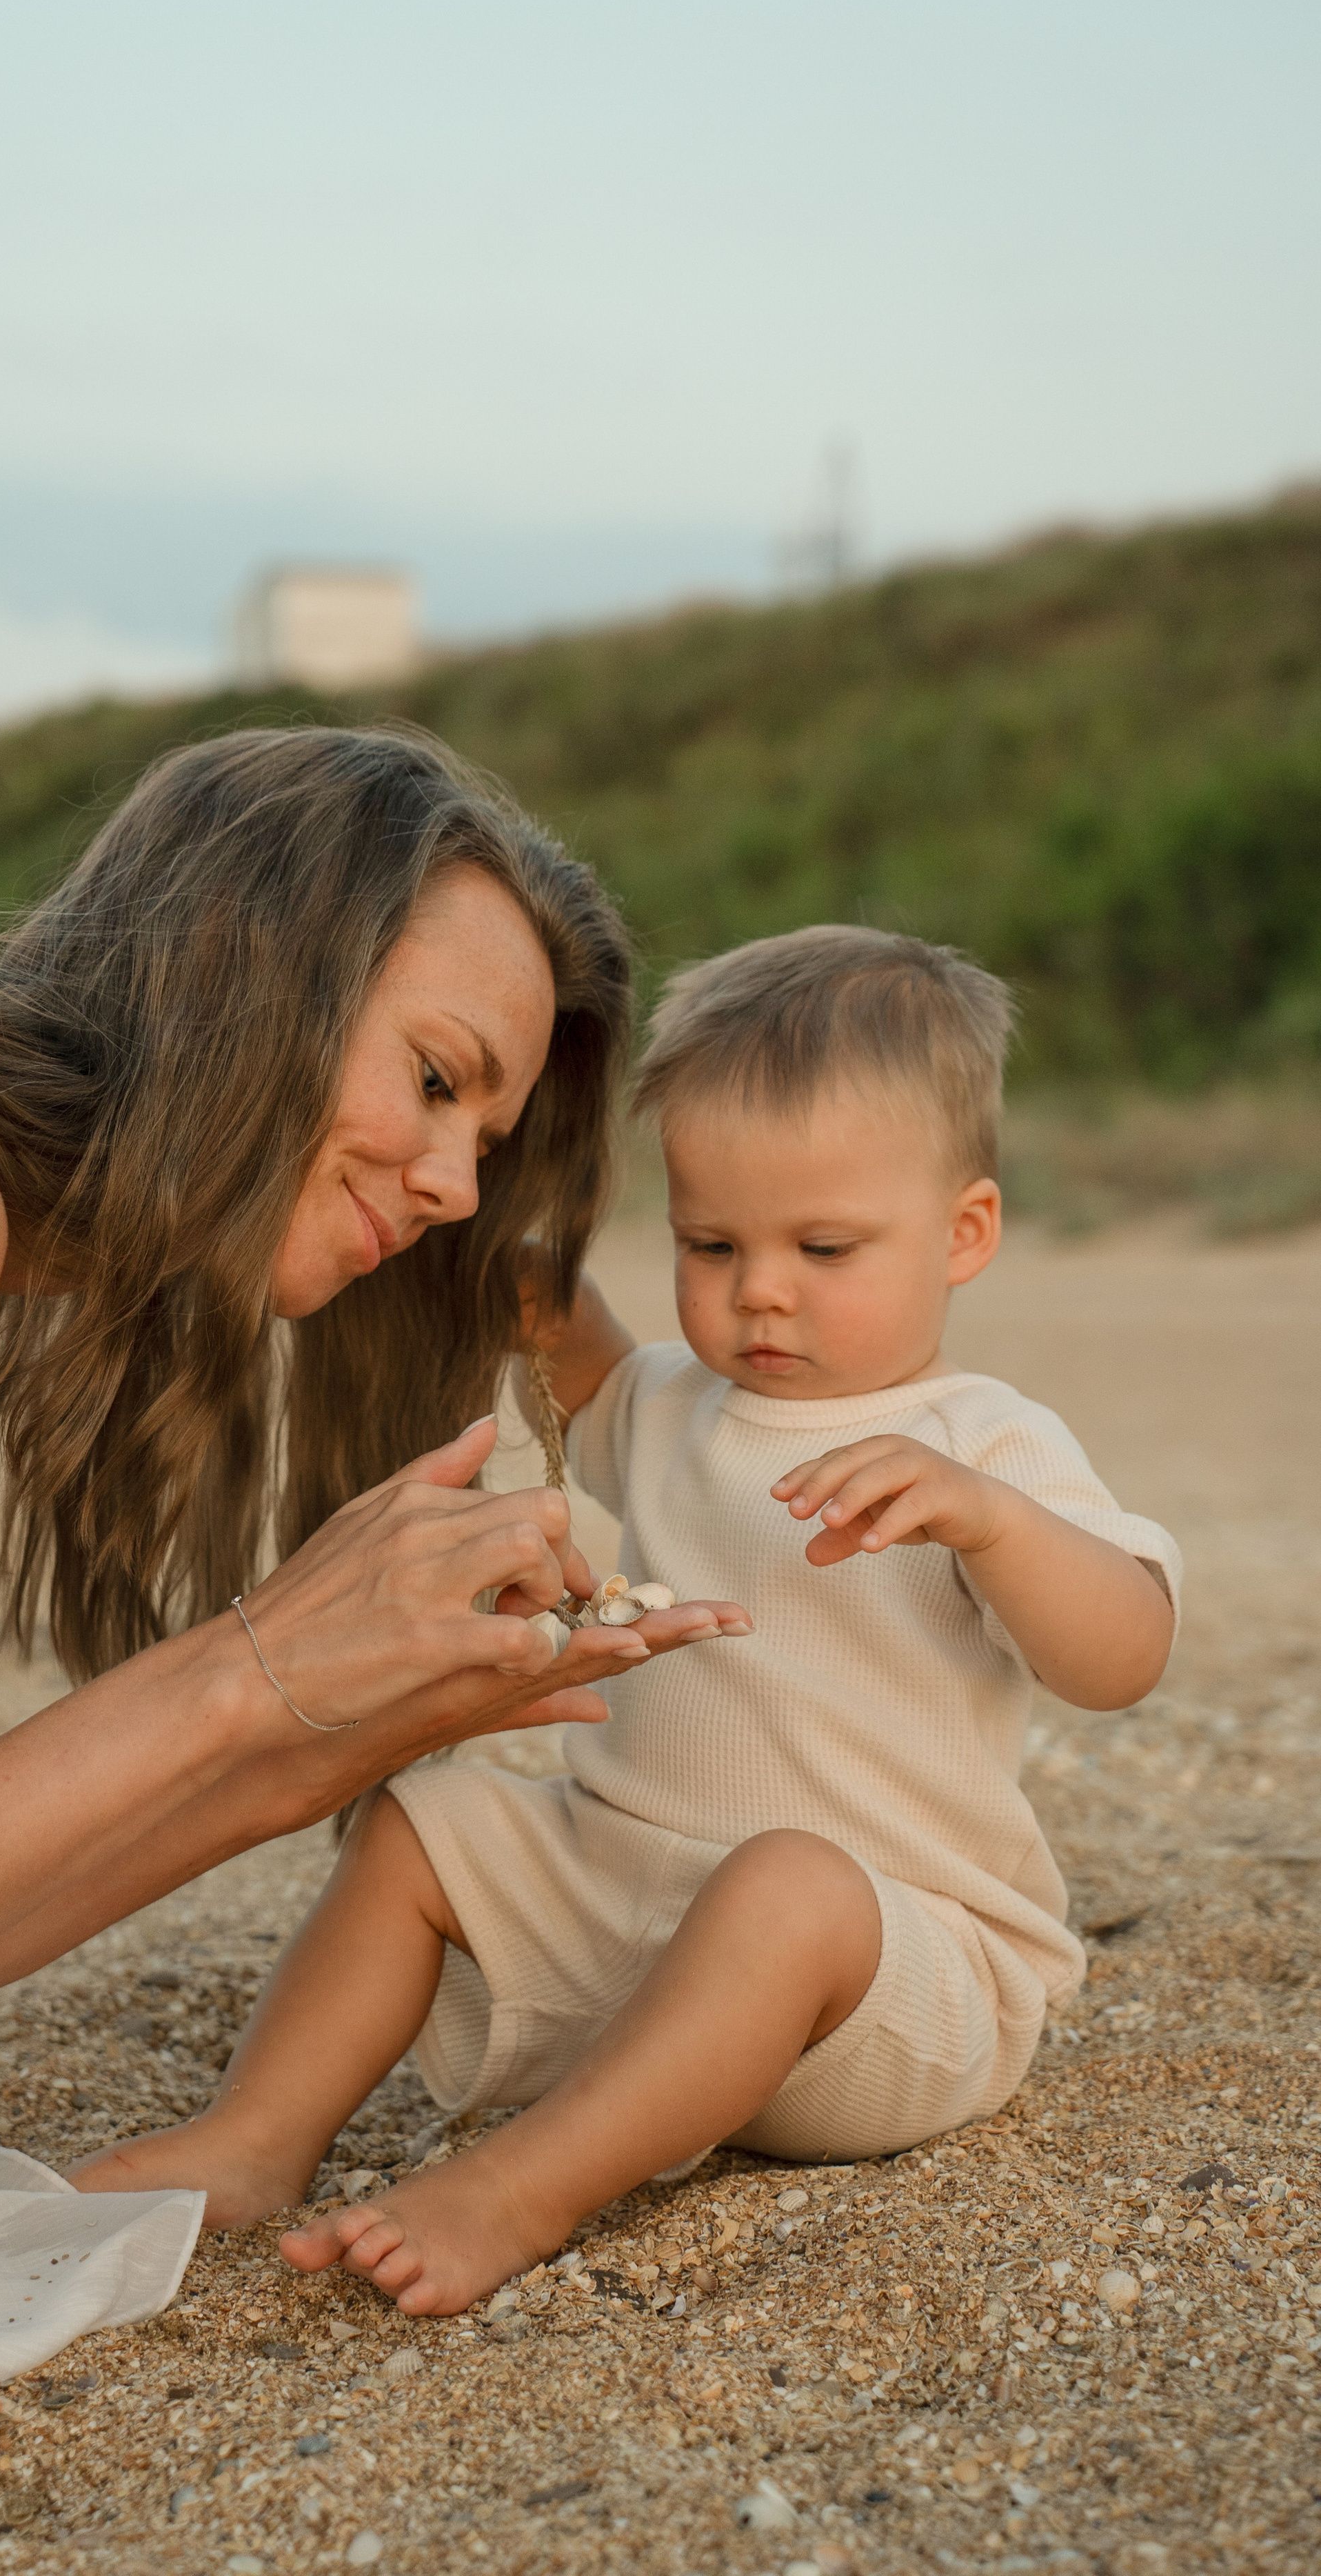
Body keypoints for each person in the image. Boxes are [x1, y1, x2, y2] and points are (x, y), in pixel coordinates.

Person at [0, 724, 748, 2519]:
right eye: (436, 1080)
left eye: (485, 1144)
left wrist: (309, 1731)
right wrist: (256, 1671)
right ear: (242, 975)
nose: (449, 1187)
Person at [84, 924, 1180, 2317]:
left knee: (785, 1889)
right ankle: (255, 2136)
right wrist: (519, 1269)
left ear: (962, 1232)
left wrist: (992, 1523)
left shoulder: (980, 1442)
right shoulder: (674, 1399)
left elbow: (1122, 1654)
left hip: (887, 1970)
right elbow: (578, 1348)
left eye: (821, 1246)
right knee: (427, 1819)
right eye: (708, 1242)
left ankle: (521, 2188)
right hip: (637, 1919)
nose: (757, 1288)